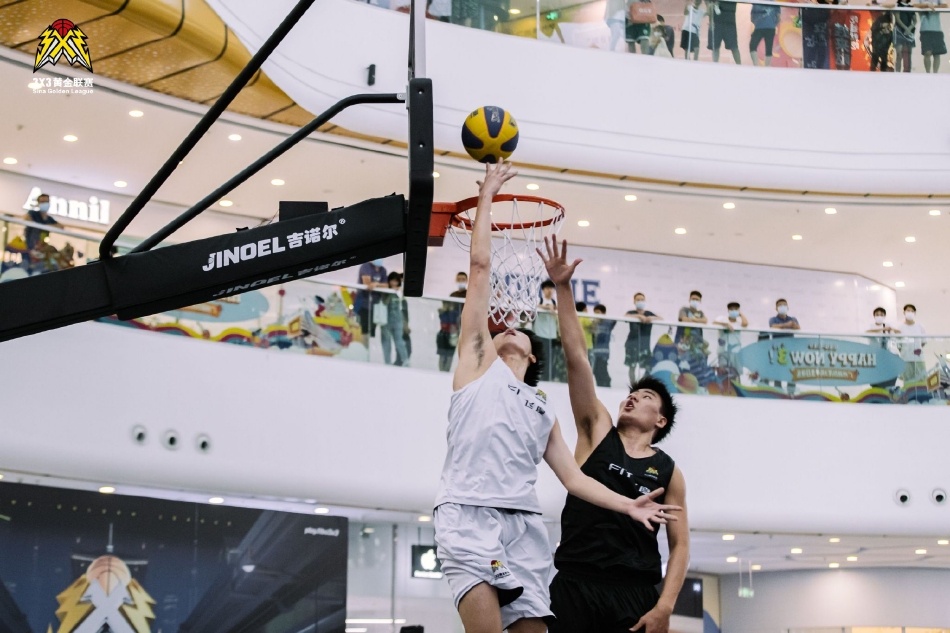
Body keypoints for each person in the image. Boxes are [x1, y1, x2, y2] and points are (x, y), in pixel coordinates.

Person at [434, 161, 681, 633]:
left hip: (524, 526)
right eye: (501, 330)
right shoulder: (475, 366)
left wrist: (627, 505)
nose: (509, 328)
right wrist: (487, 196)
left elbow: (573, 478)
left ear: (532, 358)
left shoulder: (542, 407)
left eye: (519, 332)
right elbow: (481, 266)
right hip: (469, 513)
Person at [537, 237, 689, 633]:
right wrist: (563, 288)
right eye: (631, 394)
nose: (633, 397)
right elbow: (577, 358)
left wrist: (665, 606)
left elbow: (680, 545)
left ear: (660, 421)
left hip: (635, 593)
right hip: (575, 583)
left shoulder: (669, 472)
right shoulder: (597, 429)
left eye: (646, 397)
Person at [22, 193, 62, 274]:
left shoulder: (49, 219)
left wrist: (45, 226)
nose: (45, 204)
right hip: (30, 249)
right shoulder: (33, 213)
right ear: (38, 203)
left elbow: (61, 226)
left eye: (47, 202)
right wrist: (38, 225)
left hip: (42, 250)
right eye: (43, 202)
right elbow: (26, 217)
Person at [624, 293, 661, 383]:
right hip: (632, 344)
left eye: (642, 300)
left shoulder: (648, 313)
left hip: (645, 345)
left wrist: (650, 318)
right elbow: (625, 317)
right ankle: (633, 385)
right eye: (638, 300)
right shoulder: (631, 313)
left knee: (647, 367)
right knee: (632, 366)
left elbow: (661, 318)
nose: (640, 301)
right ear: (634, 301)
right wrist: (639, 316)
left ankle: (642, 385)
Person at [437, 272, 468, 372]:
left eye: (463, 279)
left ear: (467, 280)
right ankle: (443, 372)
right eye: (459, 279)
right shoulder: (453, 295)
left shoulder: (469, 294)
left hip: (465, 329)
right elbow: (447, 311)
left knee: (463, 354)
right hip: (452, 329)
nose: (461, 281)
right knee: (446, 353)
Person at [354, 258, 388, 347]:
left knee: (372, 330)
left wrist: (376, 284)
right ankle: (363, 349)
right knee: (364, 328)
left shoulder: (383, 270)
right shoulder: (365, 266)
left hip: (375, 305)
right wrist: (378, 285)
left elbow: (387, 285)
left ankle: (368, 348)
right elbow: (367, 283)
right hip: (363, 303)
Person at [381, 272, 410, 366]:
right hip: (386, 320)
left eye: (396, 281)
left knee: (399, 341)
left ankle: (405, 360)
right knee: (386, 342)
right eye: (392, 281)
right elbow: (384, 302)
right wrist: (391, 292)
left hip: (398, 320)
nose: (394, 283)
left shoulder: (401, 292)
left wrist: (406, 324)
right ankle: (387, 362)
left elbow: (404, 308)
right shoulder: (385, 291)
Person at [713, 301, 748, 380]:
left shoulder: (739, 322)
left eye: (736, 309)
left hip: (736, 351)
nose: (734, 311)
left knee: (736, 374)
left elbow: (745, 324)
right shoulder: (722, 319)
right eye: (731, 309)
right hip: (723, 351)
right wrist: (726, 324)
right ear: (728, 310)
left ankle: (735, 387)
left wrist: (741, 314)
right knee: (723, 373)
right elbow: (714, 323)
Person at [533, 279, 559, 382]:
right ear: (543, 290)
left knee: (550, 358)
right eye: (547, 288)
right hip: (540, 333)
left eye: (552, 288)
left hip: (551, 335)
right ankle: (539, 378)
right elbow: (535, 306)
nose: (550, 290)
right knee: (540, 357)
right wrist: (548, 307)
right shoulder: (539, 300)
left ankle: (548, 378)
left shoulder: (555, 302)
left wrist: (553, 307)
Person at [899, 304, 927, 385]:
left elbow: (923, 342)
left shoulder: (920, 327)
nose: (910, 312)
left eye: (912, 311)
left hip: (919, 358)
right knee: (908, 382)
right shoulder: (900, 328)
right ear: (904, 312)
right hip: (906, 359)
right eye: (908, 311)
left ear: (914, 313)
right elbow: (899, 345)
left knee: (922, 381)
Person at [591, 304, 616, 388]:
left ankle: (606, 385)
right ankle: (600, 386)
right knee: (595, 371)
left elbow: (615, 320)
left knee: (602, 369)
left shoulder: (608, 323)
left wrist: (604, 318)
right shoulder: (594, 323)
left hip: (604, 352)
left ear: (603, 313)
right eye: (595, 313)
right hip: (595, 352)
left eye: (598, 313)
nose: (596, 315)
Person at [920, 1, 946, 73]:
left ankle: (935, 73)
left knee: (937, 53)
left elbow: (945, 5)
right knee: (927, 52)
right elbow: (915, 5)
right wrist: (927, 6)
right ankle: (928, 73)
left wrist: (934, 7)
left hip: (937, 29)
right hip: (925, 29)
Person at [894, 0, 917, 72]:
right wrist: (906, 28)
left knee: (908, 54)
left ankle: (907, 72)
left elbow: (915, 21)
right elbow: (897, 19)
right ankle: (897, 73)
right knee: (899, 53)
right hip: (899, 31)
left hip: (909, 32)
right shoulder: (897, 5)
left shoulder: (911, 7)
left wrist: (909, 28)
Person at [576, 301, 595, 366]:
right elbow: (592, 327)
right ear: (585, 309)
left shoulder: (576, 318)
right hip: (587, 345)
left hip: (578, 345)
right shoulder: (584, 317)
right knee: (589, 365)